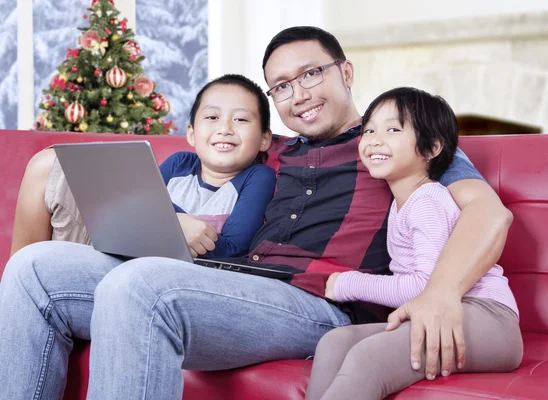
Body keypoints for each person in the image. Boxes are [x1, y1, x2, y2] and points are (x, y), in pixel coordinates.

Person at [0, 26, 513, 399]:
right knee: (33, 269)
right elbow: (204, 155)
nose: (299, 94)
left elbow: (489, 215)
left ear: (346, 72)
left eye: (311, 74)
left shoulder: (393, 141)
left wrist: (441, 294)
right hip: (229, 285)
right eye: (282, 86)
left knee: (141, 285)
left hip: (318, 305)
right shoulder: (272, 151)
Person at [305, 87, 522, 400]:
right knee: (335, 342)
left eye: (393, 129)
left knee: (369, 358)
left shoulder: (427, 201)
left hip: (488, 319)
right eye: (369, 130)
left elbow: (426, 288)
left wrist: (347, 283)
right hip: (447, 313)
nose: (375, 140)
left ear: (432, 147)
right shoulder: (401, 202)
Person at [11, 74, 276, 259]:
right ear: (192, 133)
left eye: (241, 119)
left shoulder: (258, 176)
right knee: (46, 164)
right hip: (121, 253)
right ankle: (15, 288)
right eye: (212, 117)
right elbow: (136, 210)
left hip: (166, 278)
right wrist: (175, 224)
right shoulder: (179, 163)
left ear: (265, 138)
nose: (225, 129)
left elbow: (233, 249)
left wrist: (166, 224)